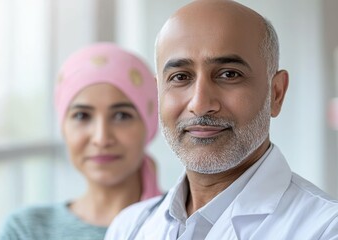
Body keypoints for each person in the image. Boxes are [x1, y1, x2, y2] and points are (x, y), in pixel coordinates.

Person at [105, 0, 338, 239]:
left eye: (229, 74)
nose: (200, 104)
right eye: (180, 77)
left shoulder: (326, 229)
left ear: (276, 93)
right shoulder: (129, 227)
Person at [0, 42, 161, 240]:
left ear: (150, 123)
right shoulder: (26, 231)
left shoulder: (185, 224)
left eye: (121, 116)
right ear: (63, 127)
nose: (101, 138)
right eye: (82, 116)